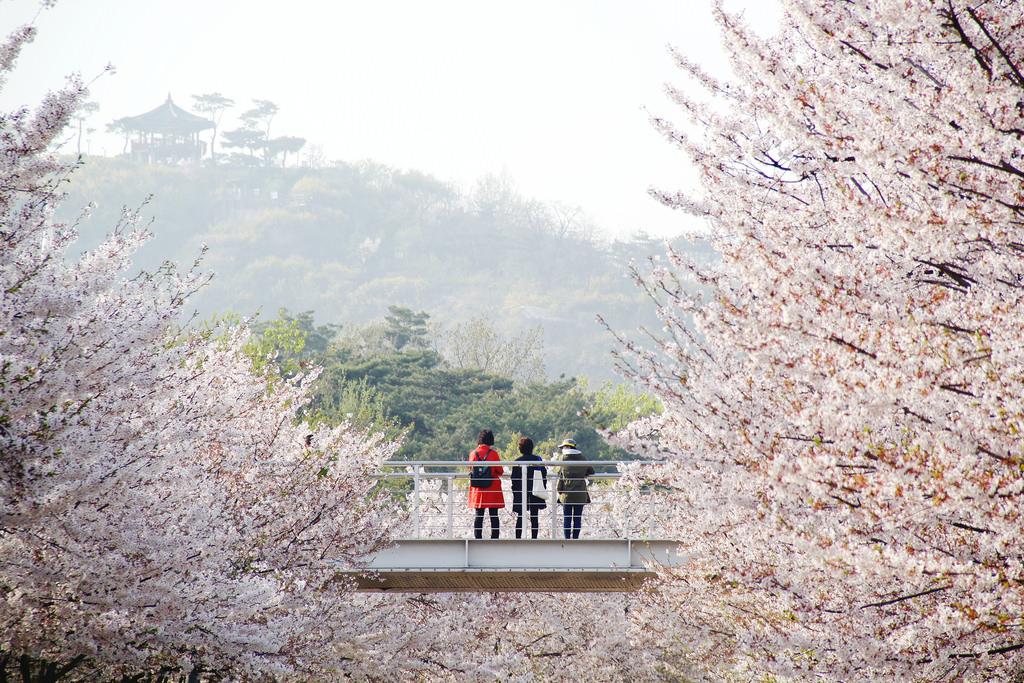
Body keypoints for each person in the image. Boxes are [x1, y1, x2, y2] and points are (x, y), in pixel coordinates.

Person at [555, 438, 594, 540]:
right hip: (580, 492)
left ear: (568, 447)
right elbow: (591, 471)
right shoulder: (582, 458)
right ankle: (575, 539)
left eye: (563, 447)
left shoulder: (563, 458)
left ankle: (567, 539)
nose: (562, 449)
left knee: (567, 518)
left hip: (566, 493)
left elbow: (558, 471)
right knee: (577, 518)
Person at [468, 429, 504, 539]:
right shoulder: (493, 454)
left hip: (478, 489)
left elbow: (471, 469)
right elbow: (500, 471)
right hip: (492, 487)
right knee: (494, 514)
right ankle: (495, 538)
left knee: (479, 514)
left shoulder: (472, 454)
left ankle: (477, 538)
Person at [510, 437, 547, 539]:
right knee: (534, 516)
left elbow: (514, 479)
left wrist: (515, 492)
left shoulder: (517, 462)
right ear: (531, 447)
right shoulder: (538, 460)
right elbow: (544, 475)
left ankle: (518, 538)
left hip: (521, 492)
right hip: (535, 491)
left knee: (520, 516)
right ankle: (534, 538)